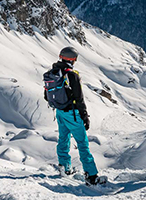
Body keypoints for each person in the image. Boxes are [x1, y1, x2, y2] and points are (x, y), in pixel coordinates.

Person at [43, 47, 103, 185]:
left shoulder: (52, 73)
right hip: (73, 114)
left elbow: (46, 96)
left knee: (63, 139)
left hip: (59, 112)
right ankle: (92, 176)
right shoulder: (72, 75)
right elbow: (79, 99)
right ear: (73, 59)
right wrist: (85, 117)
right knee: (82, 143)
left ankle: (65, 167)